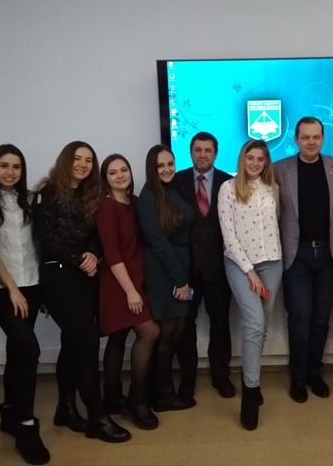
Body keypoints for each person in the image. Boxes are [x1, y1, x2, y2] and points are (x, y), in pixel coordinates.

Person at [32, 141, 130, 443]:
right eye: (77, 158)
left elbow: (99, 236)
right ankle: (97, 417)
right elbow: (46, 239)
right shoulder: (46, 192)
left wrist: (93, 253)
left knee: (72, 343)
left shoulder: (93, 195)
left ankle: (65, 408)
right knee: (87, 342)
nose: (83, 164)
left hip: (86, 278)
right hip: (58, 277)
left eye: (89, 160)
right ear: (66, 160)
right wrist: (79, 257)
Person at [0, 144, 50, 464]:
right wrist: (12, 289)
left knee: (18, 350)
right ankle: (26, 425)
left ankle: (9, 411)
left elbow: (38, 245)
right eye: (4, 165)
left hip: (32, 285)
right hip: (2, 289)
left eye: (16, 166)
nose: (10, 171)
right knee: (29, 349)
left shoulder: (30, 201)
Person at [274, 117, 333, 402]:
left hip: (329, 254)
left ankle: (315, 371)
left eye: (316, 137)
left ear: (323, 138)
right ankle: (298, 376)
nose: (311, 142)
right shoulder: (280, 169)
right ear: (296, 139)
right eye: (305, 137)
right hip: (297, 255)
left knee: (320, 319)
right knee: (300, 316)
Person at [218, 140, 283, 430]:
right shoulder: (228, 188)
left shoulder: (273, 189)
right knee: (254, 323)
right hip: (239, 264)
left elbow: (275, 226)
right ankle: (250, 391)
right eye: (250, 157)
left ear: (266, 162)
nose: (255, 163)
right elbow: (228, 235)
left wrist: (266, 268)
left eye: (260, 159)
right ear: (242, 159)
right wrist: (250, 272)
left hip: (272, 263)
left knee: (262, 324)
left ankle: (252, 382)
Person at [96, 154, 160, 430]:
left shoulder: (134, 203)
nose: (120, 175)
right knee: (150, 332)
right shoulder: (106, 206)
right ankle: (138, 400)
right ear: (105, 178)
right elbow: (112, 254)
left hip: (135, 278)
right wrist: (131, 291)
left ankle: (112, 397)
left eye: (124, 170)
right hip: (118, 283)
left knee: (118, 337)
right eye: (113, 172)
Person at [174, 132, 235, 400]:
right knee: (185, 325)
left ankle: (221, 376)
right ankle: (187, 379)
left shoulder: (228, 183)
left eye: (208, 150)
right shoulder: (176, 182)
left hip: (219, 269)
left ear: (215, 153)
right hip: (186, 271)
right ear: (190, 152)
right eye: (198, 150)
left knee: (220, 324)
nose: (202, 155)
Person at [137, 144, 195, 411]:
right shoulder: (148, 196)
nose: (167, 169)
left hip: (179, 269)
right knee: (166, 335)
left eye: (170, 164)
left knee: (175, 333)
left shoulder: (172, 190)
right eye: (160, 165)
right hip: (164, 273)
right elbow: (158, 242)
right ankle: (163, 395)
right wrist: (179, 280)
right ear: (151, 168)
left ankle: (159, 391)